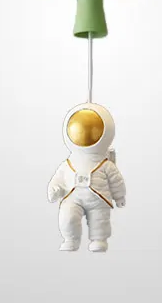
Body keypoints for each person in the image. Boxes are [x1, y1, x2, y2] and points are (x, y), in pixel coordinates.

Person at [47, 103, 126, 252]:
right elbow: (58, 178)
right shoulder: (68, 163)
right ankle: (70, 239)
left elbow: (116, 181)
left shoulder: (105, 164)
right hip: (72, 197)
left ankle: (99, 240)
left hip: (99, 199)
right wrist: (54, 189)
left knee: (100, 220)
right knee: (67, 217)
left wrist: (119, 196)